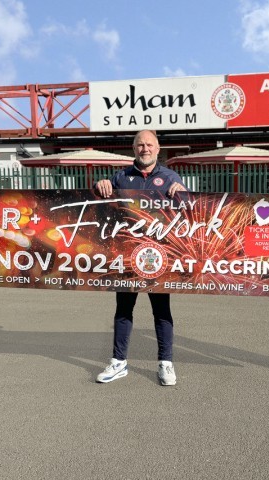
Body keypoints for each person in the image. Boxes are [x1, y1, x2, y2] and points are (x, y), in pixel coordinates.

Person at [94, 130, 187, 386]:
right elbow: (97, 200)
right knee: (123, 310)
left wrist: (183, 192)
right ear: (133, 149)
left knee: (162, 312)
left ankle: (166, 364)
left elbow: (189, 210)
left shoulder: (170, 177)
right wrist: (98, 185)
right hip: (125, 255)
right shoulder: (122, 176)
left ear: (158, 149)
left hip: (160, 256)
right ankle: (119, 362)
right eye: (140, 145)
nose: (144, 149)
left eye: (149, 145)